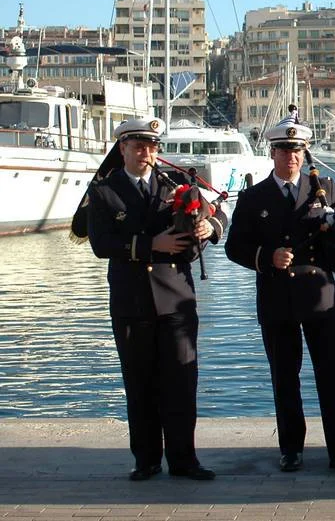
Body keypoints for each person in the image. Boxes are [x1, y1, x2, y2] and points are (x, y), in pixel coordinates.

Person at [224, 121, 335, 474]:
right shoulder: (253, 197)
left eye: (297, 152)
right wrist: (267, 256)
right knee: (285, 377)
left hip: (319, 296)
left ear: (304, 155)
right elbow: (234, 247)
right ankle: (291, 448)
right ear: (272, 153)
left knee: (332, 375)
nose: (291, 158)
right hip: (277, 297)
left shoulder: (326, 188)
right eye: (285, 151)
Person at [86, 116, 225, 481]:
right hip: (132, 301)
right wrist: (152, 245)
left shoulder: (174, 184)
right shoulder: (104, 191)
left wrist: (208, 226)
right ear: (122, 149)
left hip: (176, 297)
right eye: (137, 147)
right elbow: (101, 243)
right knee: (140, 383)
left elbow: (217, 213)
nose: (145, 153)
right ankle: (146, 459)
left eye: (151, 147)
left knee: (182, 382)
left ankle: (184, 459)